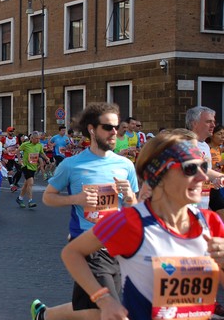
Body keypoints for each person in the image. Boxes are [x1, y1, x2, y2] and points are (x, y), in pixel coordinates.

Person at [61, 133, 224, 320]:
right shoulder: (131, 221)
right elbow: (72, 253)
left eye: (203, 167)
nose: (202, 177)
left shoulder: (210, 222)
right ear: (159, 175)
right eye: (190, 169)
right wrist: (104, 299)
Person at [31, 102, 138, 320]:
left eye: (117, 127)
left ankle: (45, 315)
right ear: (92, 129)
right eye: (108, 127)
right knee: (112, 310)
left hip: (117, 247)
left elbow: (135, 208)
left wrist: (130, 197)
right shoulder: (72, 165)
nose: (115, 132)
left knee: (92, 311)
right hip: (87, 247)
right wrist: (76, 199)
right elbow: (48, 197)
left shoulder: (125, 165)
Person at [186, 106, 224, 213]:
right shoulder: (185, 143)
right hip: (187, 204)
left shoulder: (205, 146)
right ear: (194, 123)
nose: (213, 125)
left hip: (204, 201)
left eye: (213, 121)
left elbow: (206, 173)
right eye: (208, 121)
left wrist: (215, 180)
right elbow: (199, 169)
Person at [16, 131, 50, 208]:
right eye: (36, 139)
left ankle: (20, 198)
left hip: (33, 166)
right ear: (32, 138)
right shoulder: (25, 144)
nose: (38, 140)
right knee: (30, 183)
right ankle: (30, 201)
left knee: (26, 184)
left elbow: (41, 153)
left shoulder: (39, 145)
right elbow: (17, 151)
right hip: (25, 166)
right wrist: (20, 160)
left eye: (39, 138)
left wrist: (46, 158)